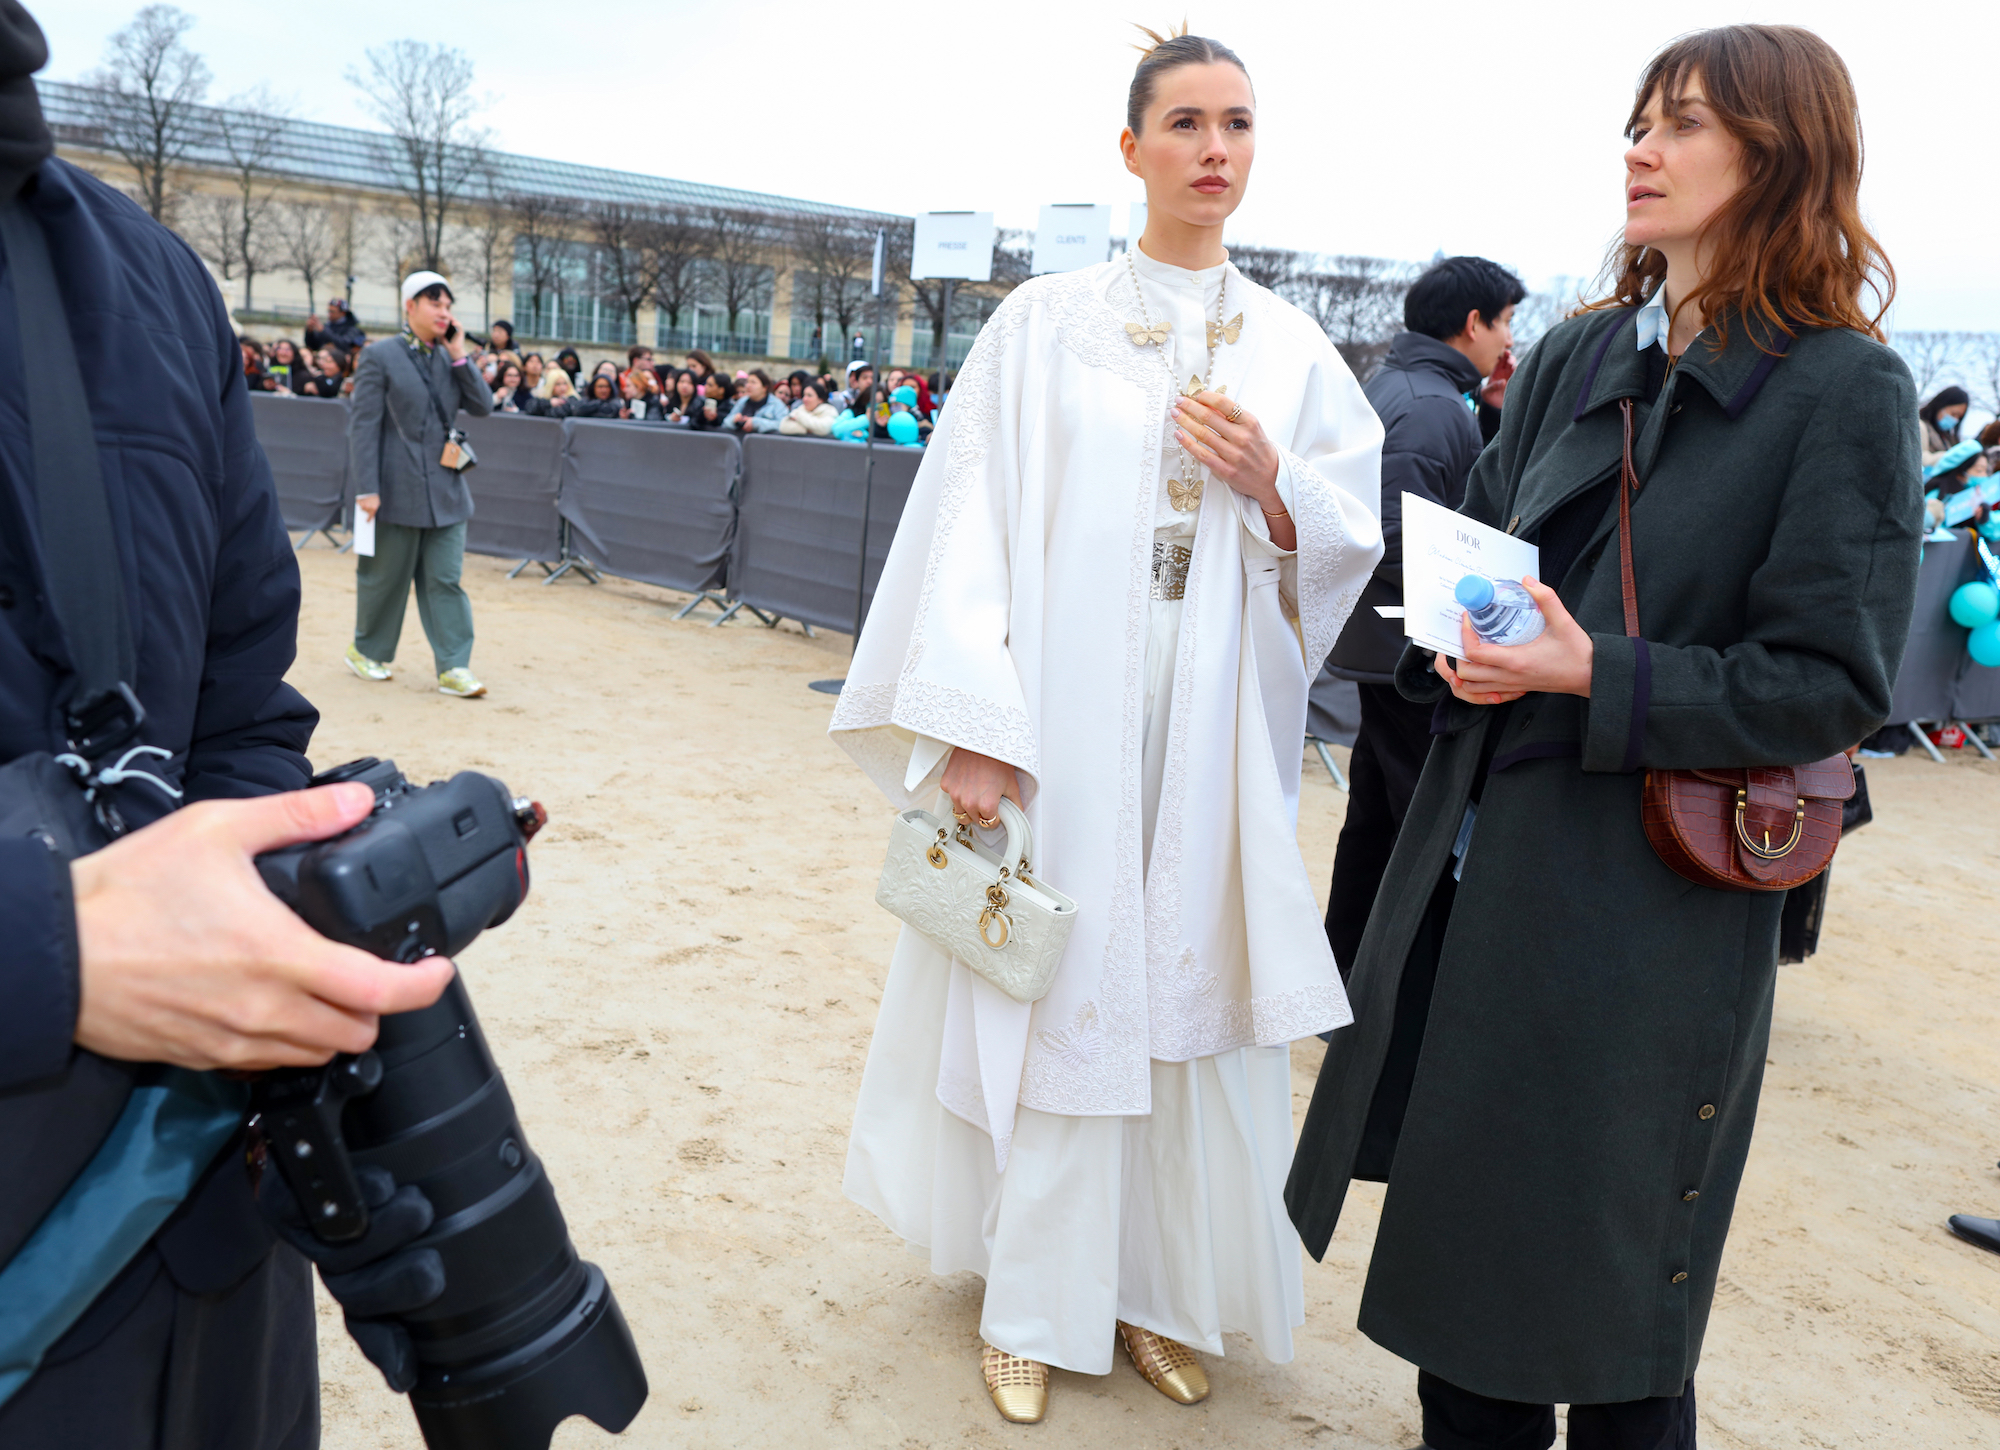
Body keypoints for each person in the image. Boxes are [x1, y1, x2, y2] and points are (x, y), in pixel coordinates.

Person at [1284, 26, 1921, 1449]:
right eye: (1639, 119)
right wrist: (1464, 648)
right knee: (1467, 1317)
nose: (1639, 148)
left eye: (1682, 122)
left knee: (1621, 1320)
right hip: (1477, 880)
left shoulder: (1844, 388)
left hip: (1652, 913)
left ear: (1779, 155)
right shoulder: (1577, 351)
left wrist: (1596, 672)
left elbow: (1830, 684)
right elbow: (1478, 564)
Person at [829, 27, 1384, 1425]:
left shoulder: (1292, 347)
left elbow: (1343, 539)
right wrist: (974, 721)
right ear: (1130, 148)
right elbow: (969, 524)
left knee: (1187, 997)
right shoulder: (1042, 323)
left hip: (1209, 730)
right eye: (1185, 122)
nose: (1214, 148)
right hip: (1066, 716)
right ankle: (1031, 1297)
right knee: (1060, 987)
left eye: (1237, 123)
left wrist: (1273, 483)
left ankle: (1155, 1289)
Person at [0, 9, 454, 1442]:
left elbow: (245, 696)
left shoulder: (144, 272)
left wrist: (280, 902)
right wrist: (50, 950)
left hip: (195, 1258)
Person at [1319, 256, 1523, 980]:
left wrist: (1491, 412)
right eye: (1505, 321)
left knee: (1377, 822)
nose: (1509, 338)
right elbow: (1394, 532)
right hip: (1411, 651)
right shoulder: (1431, 405)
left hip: (1387, 643)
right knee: (1419, 827)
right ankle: (1403, 990)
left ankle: (1351, 979)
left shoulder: (1408, 387)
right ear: (1472, 323)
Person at [344, 270, 495, 698]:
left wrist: (460, 355)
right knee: (384, 579)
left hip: (447, 491)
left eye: (448, 305)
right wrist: (367, 488)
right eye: (435, 303)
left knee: (446, 580)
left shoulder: (451, 356)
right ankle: (366, 650)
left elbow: (483, 406)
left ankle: (454, 666)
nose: (443, 312)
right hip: (394, 489)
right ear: (410, 306)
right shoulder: (379, 355)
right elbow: (364, 426)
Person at [1920, 385, 1969, 467]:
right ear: (1940, 405)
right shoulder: (1921, 427)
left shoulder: (1947, 436)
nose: (1955, 419)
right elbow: (1920, 458)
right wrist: (1949, 456)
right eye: (1953, 414)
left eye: (1959, 417)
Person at [725, 368, 787, 433]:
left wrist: (756, 423)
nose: (748, 385)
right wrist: (734, 420)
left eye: (753, 382)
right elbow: (725, 423)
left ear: (765, 387)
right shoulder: (742, 401)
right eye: (747, 382)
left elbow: (783, 425)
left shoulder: (776, 404)